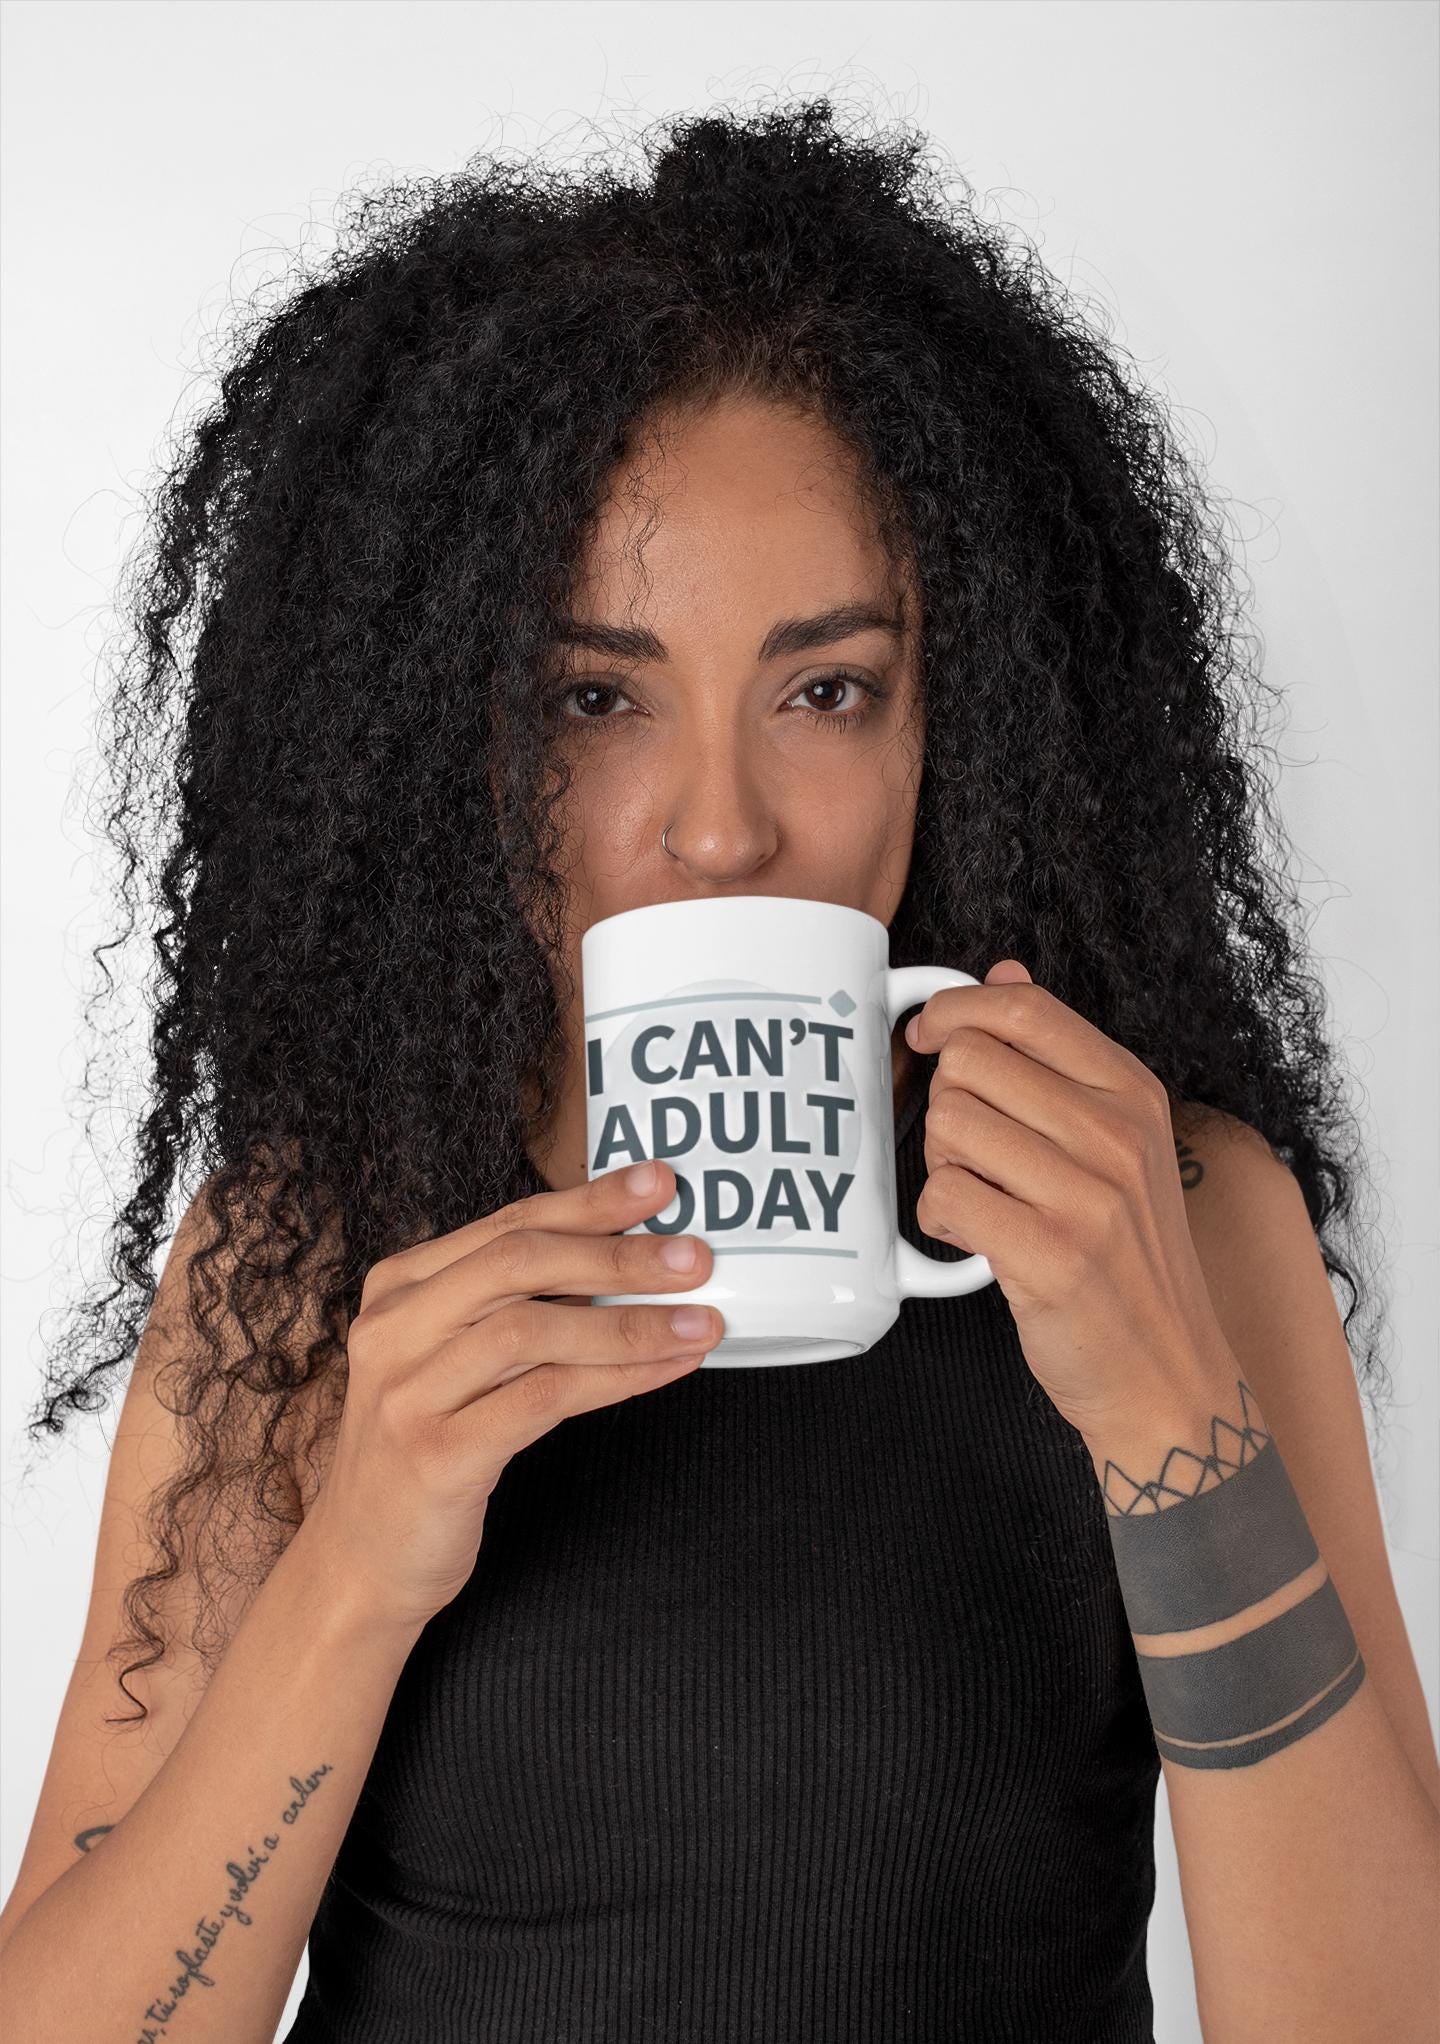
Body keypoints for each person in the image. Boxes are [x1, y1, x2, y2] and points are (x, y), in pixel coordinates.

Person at [2, 97, 1436, 2044]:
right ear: (455, 737)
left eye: (825, 690)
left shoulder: (1172, 1216)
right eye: (597, 699)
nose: (717, 827)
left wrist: (1171, 1412)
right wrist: (356, 1567)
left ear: (958, 722)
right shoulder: (309, 1258)